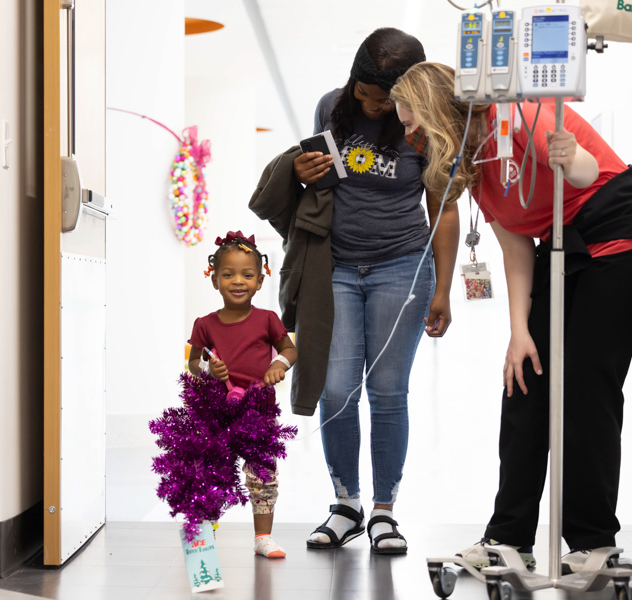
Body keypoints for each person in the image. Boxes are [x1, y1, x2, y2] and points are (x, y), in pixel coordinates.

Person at [390, 63, 632, 572]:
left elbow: (583, 172)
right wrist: (519, 332)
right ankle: (508, 538)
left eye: (412, 123)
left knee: (586, 387)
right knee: (524, 382)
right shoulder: (474, 167)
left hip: (620, 239)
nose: (408, 135)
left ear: (436, 111)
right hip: (560, 253)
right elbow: (516, 246)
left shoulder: (517, 116)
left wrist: (572, 156)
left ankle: (593, 543)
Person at [291, 29, 459, 555]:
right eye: (364, 92)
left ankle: (384, 511)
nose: (372, 104)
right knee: (336, 387)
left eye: (382, 98)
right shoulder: (329, 107)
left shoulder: (423, 123)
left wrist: (444, 289)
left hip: (402, 267)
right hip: (335, 267)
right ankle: (346, 503)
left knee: (388, 392)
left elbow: (444, 207)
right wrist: (299, 172)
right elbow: (315, 185)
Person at [187, 230, 298, 559]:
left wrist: (279, 365)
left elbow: (290, 349)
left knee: (262, 473)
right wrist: (206, 369)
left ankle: (263, 536)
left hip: (258, 413)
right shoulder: (205, 324)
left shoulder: (267, 320)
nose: (238, 281)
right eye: (228, 274)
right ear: (215, 281)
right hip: (216, 414)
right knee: (210, 472)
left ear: (260, 281)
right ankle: (204, 537)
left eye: (247, 274)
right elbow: (193, 362)